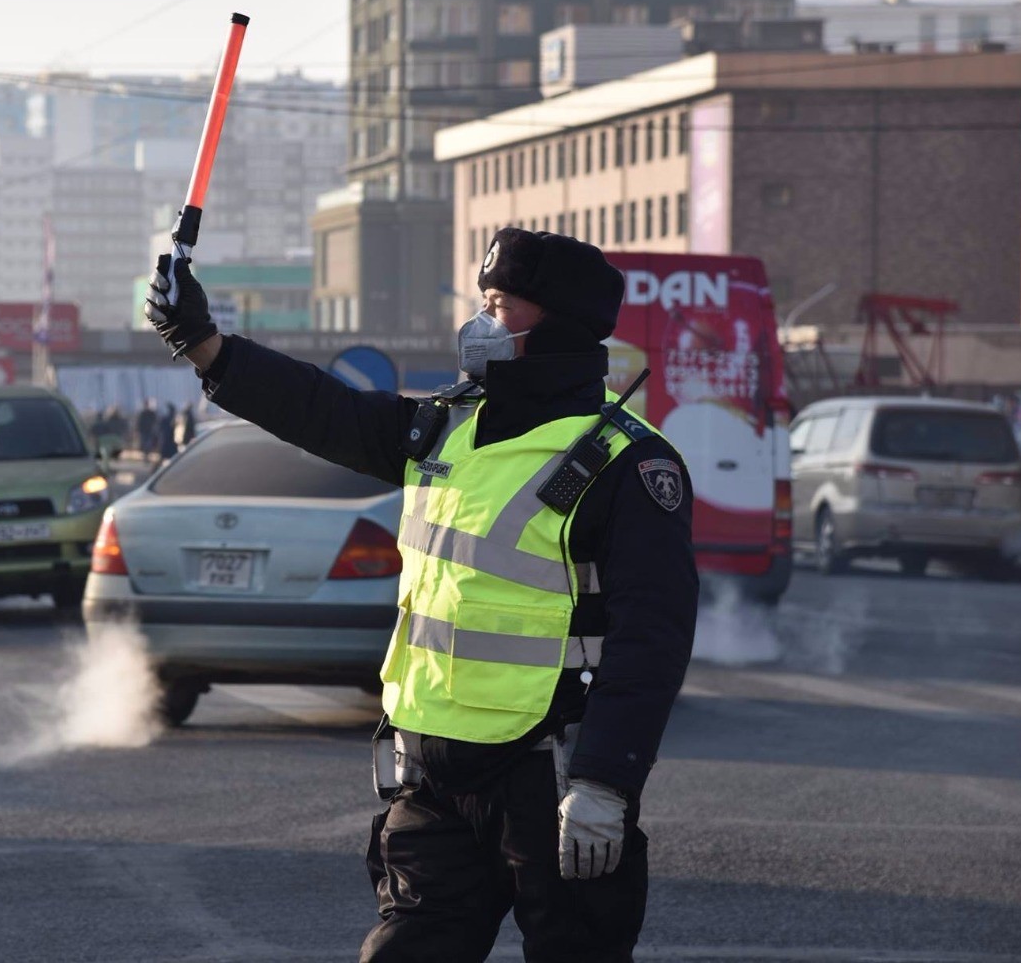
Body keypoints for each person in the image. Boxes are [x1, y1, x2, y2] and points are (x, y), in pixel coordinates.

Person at [145, 227, 698, 962]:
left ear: (557, 323)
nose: (479, 322)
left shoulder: (626, 463)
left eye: (499, 304)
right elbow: (323, 410)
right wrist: (206, 345)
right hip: (434, 770)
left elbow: (649, 641)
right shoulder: (446, 427)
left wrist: (606, 782)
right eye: (483, 300)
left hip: (549, 774)